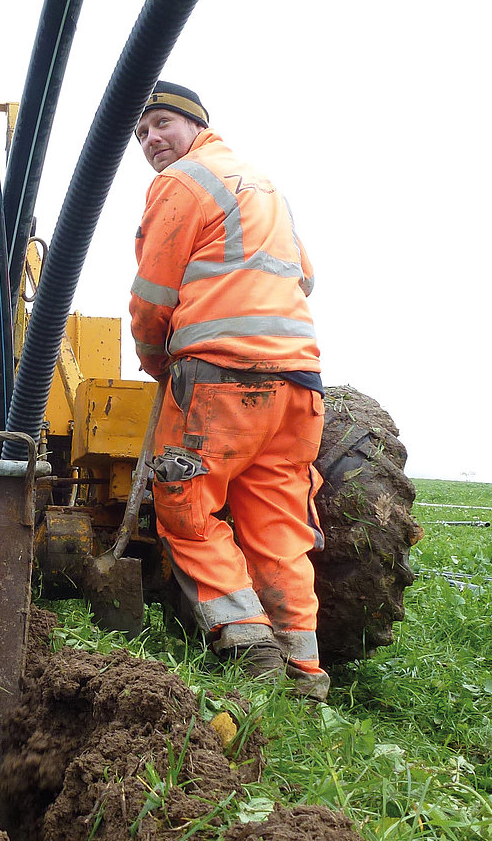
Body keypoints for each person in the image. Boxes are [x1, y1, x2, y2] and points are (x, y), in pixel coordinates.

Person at [128, 82, 330, 701]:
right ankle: (305, 671)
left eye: (161, 123)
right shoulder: (263, 186)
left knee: (186, 510)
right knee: (276, 525)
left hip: (219, 378)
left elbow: (153, 297)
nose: (150, 140)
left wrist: (158, 362)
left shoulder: (184, 182)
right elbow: (307, 275)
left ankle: (250, 647)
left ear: (195, 126)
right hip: (297, 384)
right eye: (140, 134)